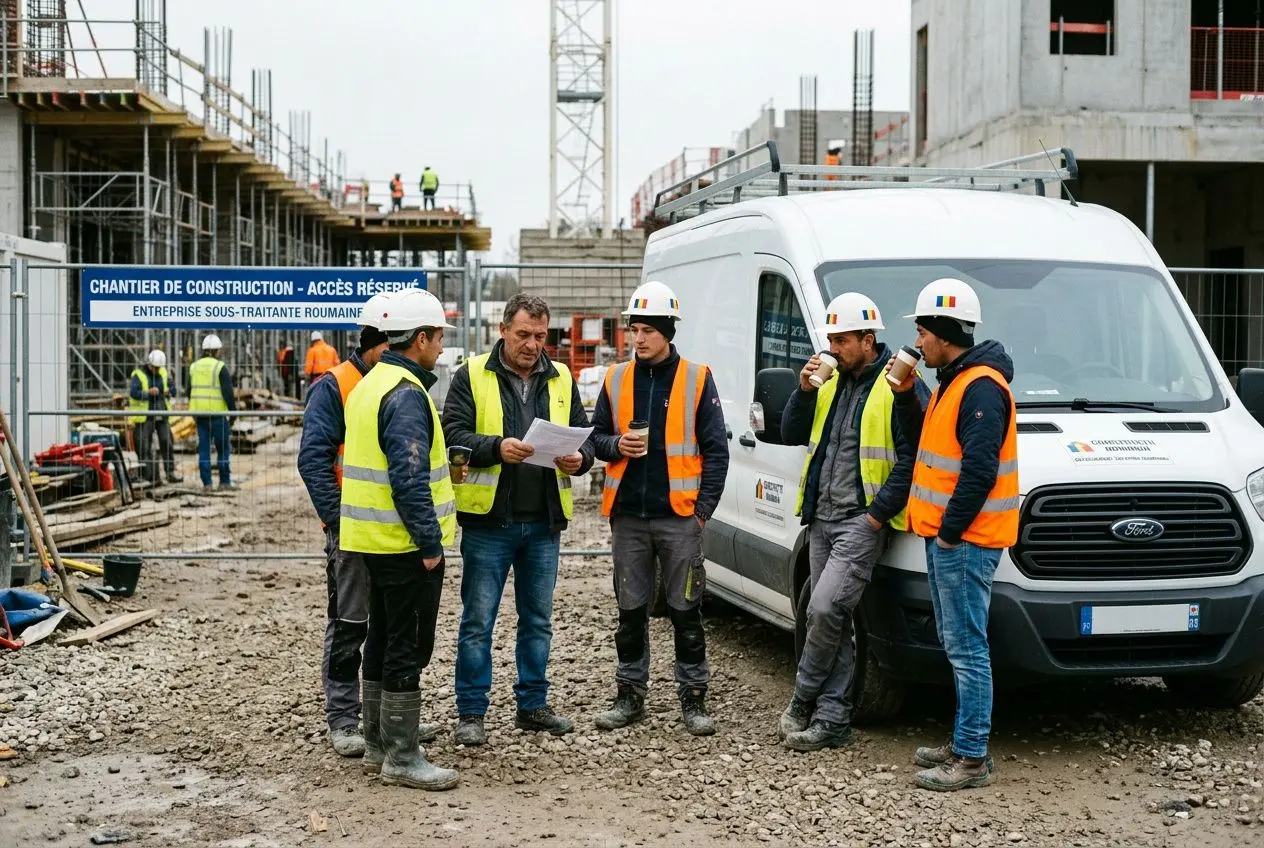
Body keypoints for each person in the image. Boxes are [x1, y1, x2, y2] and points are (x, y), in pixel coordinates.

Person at [776, 294, 928, 751]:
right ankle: (835, 717)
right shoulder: (829, 381)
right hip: (821, 516)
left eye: (842, 340)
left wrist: (877, 516)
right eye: (831, 340)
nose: (833, 349)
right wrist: (802, 391)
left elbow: (913, 455)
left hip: (860, 521)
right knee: (831, 617)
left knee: (823, 608)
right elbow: (791, 433)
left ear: (868, 339)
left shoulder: (897, 383)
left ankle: (804, 698)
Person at [442, 293, 594, 747]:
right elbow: (452, 432)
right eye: (524, 335)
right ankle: (471, 711)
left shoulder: (561, 376)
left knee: (538, 620)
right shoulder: (471, 374)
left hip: (543, 522)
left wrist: (579, 461)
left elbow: (584, 436)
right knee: (478, 620)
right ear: (504, 329)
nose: (533, 345)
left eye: (541, 336)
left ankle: (532, 705)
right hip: (490, 523)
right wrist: (496, 449)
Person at [886, 277, 1018, 792]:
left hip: (965, 540)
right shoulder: (956, 381)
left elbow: (980, 471)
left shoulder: (980, 386)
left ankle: (971, 757)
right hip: (954, 538)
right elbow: (930, 445)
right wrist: (904, 397)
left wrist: (948, 534)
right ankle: (965, 740)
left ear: (942, 332)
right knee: (957, 643)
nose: (918, 344)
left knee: (967, 647)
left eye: (921, 332)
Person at [589, 280, 729, 736]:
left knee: (686, 609)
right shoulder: (614, 379)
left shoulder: (697, 378)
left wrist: (702, 511)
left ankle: (694, 698)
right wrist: (615, 444)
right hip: (628, 516)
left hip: (679, 518)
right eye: (634, 329)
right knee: (630, 610)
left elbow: (716, 451)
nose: (638, 338)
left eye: (648, 330)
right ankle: (630, 695)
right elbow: (594, 440)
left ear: (668, 331)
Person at [339, 287, 460, 791]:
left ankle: (377, 741)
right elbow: (409, 478)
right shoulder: (407, 394)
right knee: (408, 643)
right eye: (437, 338)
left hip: (371, 539)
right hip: (403, 544)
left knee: (383, 638)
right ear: (422, 339)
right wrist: (430, 544)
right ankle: (403, 756)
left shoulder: (371, 383)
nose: (439, 347)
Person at [298, 292, 401, 761]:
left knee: (387, 622)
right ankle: (343, 718)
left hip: (390, 530)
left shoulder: (393, 381)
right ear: (379, 343)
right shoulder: (334, 386)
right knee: (348, 623)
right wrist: (339, 522)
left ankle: (382, 715)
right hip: (352, 530)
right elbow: (314, 460)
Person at [188, 334, 235, 491]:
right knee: (222, 450)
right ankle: (224, 482)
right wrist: (233, 413)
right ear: (217, 350)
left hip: (200, 416)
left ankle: (207, 484)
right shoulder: (219, 367)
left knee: (204, 450)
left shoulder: (194, 367)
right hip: (218, 415)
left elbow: (189, 391)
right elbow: (228, 393)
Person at [129, 349, 182, 487]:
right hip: (145, 417)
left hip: (162, 414)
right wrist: (148, 393)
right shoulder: (138, 375)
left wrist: (168, 392)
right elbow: (134, 393)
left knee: (167, 442)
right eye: (155, 368)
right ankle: (147, 477)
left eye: (159, 368)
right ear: (149, 365)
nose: (157, 370)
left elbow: (173, 390)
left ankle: (170, 473)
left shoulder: (164, 373)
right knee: (144, 446)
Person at [305, 330, 341, 396]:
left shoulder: (312, 350)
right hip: (331, 376)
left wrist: (307, 373)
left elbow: (309, 365)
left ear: (313, 341)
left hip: (318, 377)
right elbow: (337, 363)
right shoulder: (331, 349)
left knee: (318, 395)